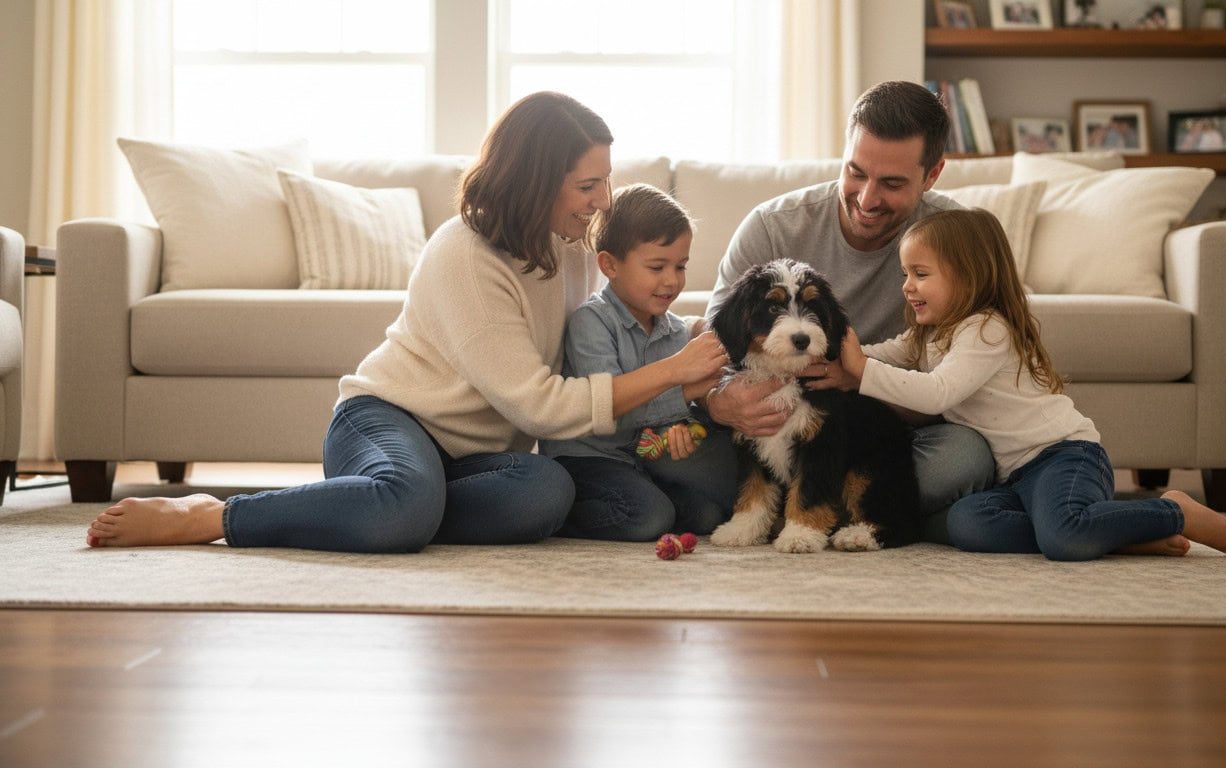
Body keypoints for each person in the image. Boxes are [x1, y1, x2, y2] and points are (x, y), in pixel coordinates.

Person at [84, 91, 729, 553]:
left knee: (545, 492)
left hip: (473, 460)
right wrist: (673, 373)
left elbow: (631, 317)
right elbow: (538, 405)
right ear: (538, 181)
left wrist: (707, 342)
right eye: (589, 185)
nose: (603, 202)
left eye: (605, 183)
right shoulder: (465, 254)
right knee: (405, 505)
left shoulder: (576, 252)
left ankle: (397, 506)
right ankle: (216, 517)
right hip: (389, 421)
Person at [836, 208, 1226, 560]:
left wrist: (860, 370)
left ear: (967, 276)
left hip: (1063, 458)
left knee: (1062, 533)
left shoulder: (986, 329)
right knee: (966, 524)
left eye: (920, 274)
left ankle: (1171, 511)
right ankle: (1116, 534)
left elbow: (937, 392)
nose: (907, 286)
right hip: (1014, 478)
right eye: (906, 273)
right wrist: (843, 358)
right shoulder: (929, 333)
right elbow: (884, 353)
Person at [703, 80, 996, 542]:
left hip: (888, 435)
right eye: (856, 172)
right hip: (770, 424)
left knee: (964, 458)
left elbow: (971, 379)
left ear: (933, 173)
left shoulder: (954, 242)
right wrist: (718, 405)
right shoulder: (771, 227)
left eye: (893, 183)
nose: (866, 198)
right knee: (690, 459)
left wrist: (861, 378)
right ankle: (912, 517)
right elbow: (715, 347)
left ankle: (852, 511)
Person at [540, 184, 736, 541]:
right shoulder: (592, 322)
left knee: (707, 515)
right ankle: (563, 512)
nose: (672, 280)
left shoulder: (674, 331)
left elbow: (659, 419)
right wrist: (686, 390)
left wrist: (680, 427)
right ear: (610, 264)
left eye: (680, 266)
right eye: (657, 266)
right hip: (587, 460)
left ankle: (648, 496)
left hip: (637, 459)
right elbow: (610, 413)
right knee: (649, 517)